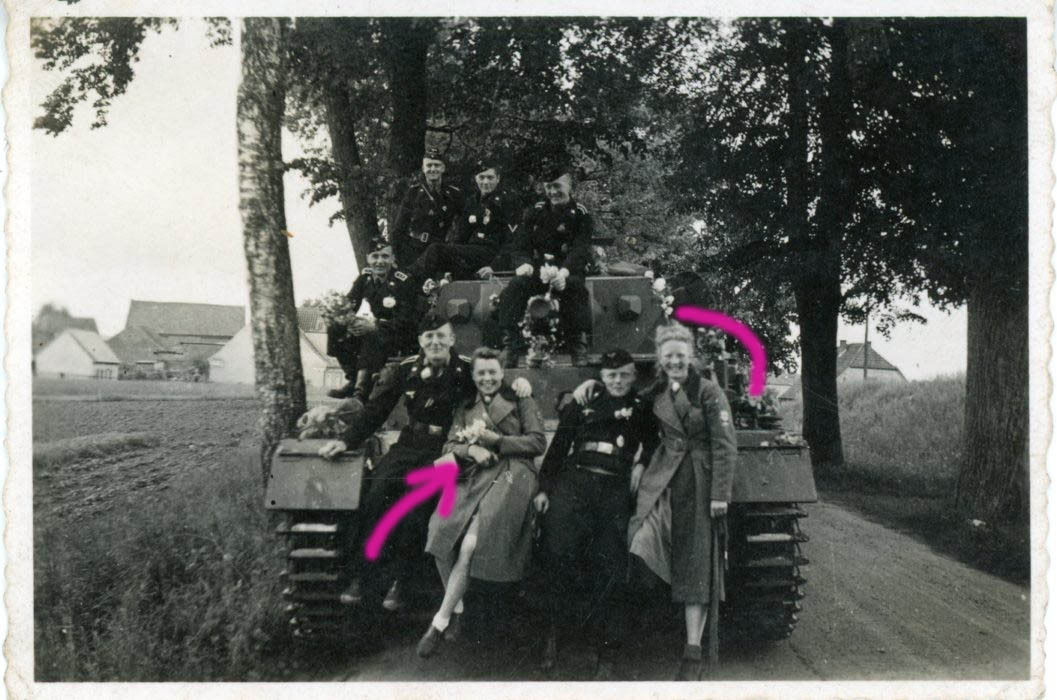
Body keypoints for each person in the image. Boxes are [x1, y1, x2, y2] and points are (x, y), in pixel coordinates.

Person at [317, 315, 533, 612]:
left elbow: (492, 385)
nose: (435, 342)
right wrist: (347, 441)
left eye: (441, 336)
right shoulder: (406, 369)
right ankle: (363, 574)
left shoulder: (466, 368)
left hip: (447, 450)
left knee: (420, 504)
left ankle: (403, 580)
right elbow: (377, 409)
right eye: (429, 336)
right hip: (410, 444)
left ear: (452, 339)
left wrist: (519, 384)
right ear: (420, 341)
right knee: (376, 492)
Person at [532, 348, 658, 679]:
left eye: (624, 375)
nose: (618, 381)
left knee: (610, 564)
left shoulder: (641, 407)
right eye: (611, 375)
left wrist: (642, 464)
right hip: (576, 482)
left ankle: (607, 650)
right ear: (602, 376)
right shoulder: (584, 401)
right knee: (557, 554)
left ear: (633, 376)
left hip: (615, 485)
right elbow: (559, 446)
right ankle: (552, 636)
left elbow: (653, 442)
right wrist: (544, 489)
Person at [416, 347, 547, 658]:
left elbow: (537, 441)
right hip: (475, 474)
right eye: (481, 373)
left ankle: (439, 623)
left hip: (513, 473)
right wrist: (471, 450)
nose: (487, 378)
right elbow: (450, 444)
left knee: (470, 545)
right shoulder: (466, 406)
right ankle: (458, 607)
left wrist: (498, 441)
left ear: (502, 373)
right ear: (473, 376)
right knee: (440, 532)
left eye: (492, 372)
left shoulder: (521, 399)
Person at [628, 323, 738, 681]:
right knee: (642, 541)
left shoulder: (708, 391)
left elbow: (725, 445)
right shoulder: (656, 392)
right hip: (664, 478)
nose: (675, 361)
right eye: (668, 356)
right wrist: (641, 462)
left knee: (696, 563)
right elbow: (635, 414)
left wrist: (720, 494)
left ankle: (692, 651)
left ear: (690, 356)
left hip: (698, 481)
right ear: (660, 359)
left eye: (680, 355)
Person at [494, 165, 594, 367]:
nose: (553, 192)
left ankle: (578, 347)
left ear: (569, 186)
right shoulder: (536, 212)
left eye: (557, 186)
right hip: (539, 272)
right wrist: (524, 264)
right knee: (514, 287)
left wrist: (564, 273)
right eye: (549, 187)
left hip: (567, 271)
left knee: (577, 290)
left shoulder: (581, 214)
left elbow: (580, 249)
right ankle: (510, 346)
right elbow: (520, 245)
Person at [325, 236, 419, 400]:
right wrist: (341, 317)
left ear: (393, 259)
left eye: (385, 256)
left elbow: (408, 320)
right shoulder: (365, 279)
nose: (379, 262)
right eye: (375, 256)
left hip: (402, 335)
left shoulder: (403, 281)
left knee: (372, 334)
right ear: (368, 258)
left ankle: (361, 392)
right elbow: (349, 304)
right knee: (336, 328)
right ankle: (353, 379)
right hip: (379, 332)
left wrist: (374, 327)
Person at [406, 158, 521, 282]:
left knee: (436, 249)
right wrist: (450, 267)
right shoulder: (472, 202)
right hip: (471, 254)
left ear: (498, 178)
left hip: (492, 254)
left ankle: (407, 277)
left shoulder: (508, 202)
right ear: (476, 178)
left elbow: (512, 242)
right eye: (481, 177)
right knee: (438, 259)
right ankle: (418, 286)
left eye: (490, 177)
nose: (485, 182)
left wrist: (494, 267)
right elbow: (461, 236)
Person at [391, 148, 463, 269]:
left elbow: (464, 223)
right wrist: (395, 255)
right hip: (414, 251)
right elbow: (399, 227)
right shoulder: (413, 193)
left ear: (443, 168)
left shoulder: (453, 194)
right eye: (429, 165)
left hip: (440, 251)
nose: (433, 169)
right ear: (423, 168)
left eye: (437, 165)